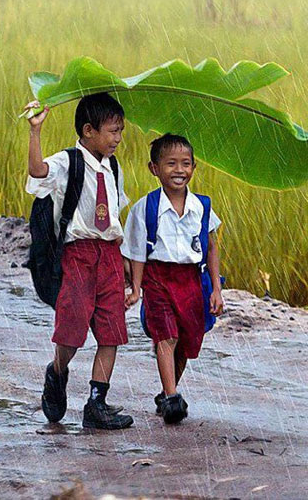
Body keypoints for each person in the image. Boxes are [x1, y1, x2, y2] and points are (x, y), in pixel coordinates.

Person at [24, 93, 133, 430]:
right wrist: (35, 132)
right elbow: (37, 171)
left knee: (112, 331)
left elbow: (114, 215)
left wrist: (125, 261)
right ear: (88, 130)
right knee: (71, 331)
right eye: (112, 131)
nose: (117, 139)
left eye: (120, 131)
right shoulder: (68, 161)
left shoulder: (113, 167)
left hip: (109, 256)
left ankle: (96, 403)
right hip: (78, 255)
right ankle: (57, 371)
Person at [121, 133, 224, 424]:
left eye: (186, 163)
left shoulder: (202, 206)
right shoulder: (145, 208)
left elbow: (212, 246)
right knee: (167, 335)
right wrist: (136, 289)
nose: (179, 170)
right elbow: (137, 253)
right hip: (157, 278)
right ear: (154, 168)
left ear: (194, 167)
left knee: (189, 340)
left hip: (191, 280)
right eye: (170, 164)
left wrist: (216, 289)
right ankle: (171, 398)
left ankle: (170, 390)